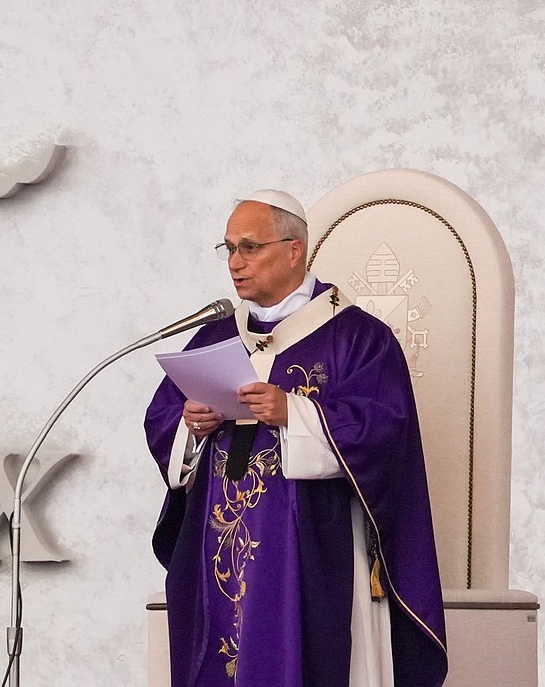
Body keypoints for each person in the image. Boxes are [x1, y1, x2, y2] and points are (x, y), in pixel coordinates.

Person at [144, 190, 448, 687]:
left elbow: (384, 429)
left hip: (311, 547)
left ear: (293, 250)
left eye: (249, 247)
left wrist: (297, 412)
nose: (235, 264)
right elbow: (162, 418)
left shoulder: (356, 337)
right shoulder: (214, 335)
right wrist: (190, 424)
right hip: (218, 542)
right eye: (228, 249)